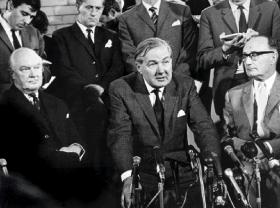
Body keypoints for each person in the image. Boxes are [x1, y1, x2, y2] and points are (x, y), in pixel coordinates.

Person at [107, 37, 221, 208]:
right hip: (143, 172)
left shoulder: (185, 84)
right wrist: (128, 177)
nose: (161, 70)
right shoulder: (121, 88)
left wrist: (213, 166)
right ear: (139, 67)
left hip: (181, 170)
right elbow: (120, 135)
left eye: (166, 62)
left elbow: (204, 127)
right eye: (152, 64)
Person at [0, 48, 87, 203]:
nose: (33, 74)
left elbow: (77, 139)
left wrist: (76, 148)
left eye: (37, 67)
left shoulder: (57, 103)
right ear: (12, 74)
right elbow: (25, 157)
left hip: (68, 183)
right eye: (25, 69)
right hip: (30, 190)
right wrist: (69, 156)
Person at [51, 0, 124, 177]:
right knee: (87, 161)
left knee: (109, 159)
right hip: (79, 108)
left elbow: (117, 68)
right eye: (88, 8)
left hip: (108, 106)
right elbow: (63, 69)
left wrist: (101, 88)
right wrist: (89, 89)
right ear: (78, 7)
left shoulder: (111, 36)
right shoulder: (61, 36)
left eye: (98, 8)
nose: (93, 13)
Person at [197, 0, 280, 128]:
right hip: (228, 85)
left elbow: (278, 47)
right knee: (233, 135)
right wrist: (224, 49)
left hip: (264, 82)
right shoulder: (209, 14)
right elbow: (203, 59)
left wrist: (259, 42)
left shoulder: (270, 8)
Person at [223, 35, 280, 208]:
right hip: (247, 171)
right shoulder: (233, 94)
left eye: (254, 55)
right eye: (245, 56)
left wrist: (267, 148)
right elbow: (226, 137)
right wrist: (245, 150)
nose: (247, 62)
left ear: (274, 56)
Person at [118, 0, 198, 76]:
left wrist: (175, 78)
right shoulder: (126, 19)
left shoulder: (182, 11)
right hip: (145, 84)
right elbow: (129, 56)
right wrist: (147, 80)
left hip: (179, 81)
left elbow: (189, 49)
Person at [0, 0, 44, 95]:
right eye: (24, 14)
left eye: (32, 17)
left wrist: (36, 77)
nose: (27, 21)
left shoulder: (34, 33)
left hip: (33, 99)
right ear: (10, 5)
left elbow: (46, 66)